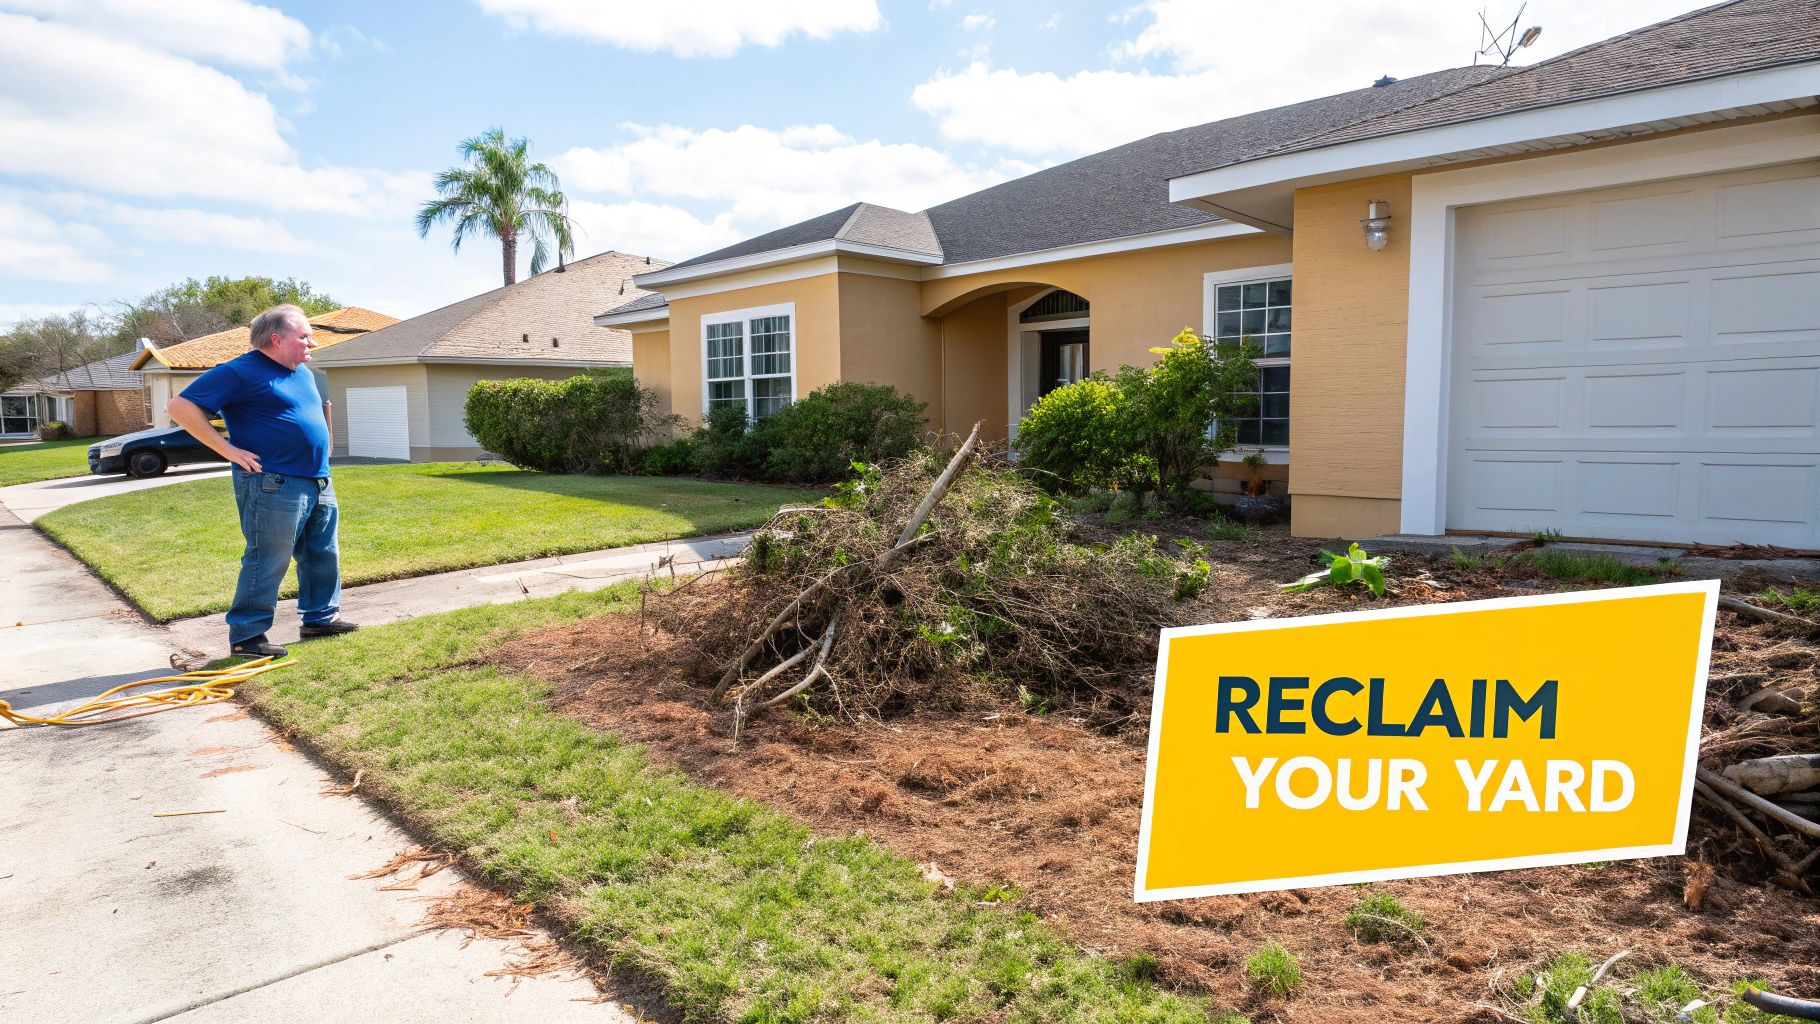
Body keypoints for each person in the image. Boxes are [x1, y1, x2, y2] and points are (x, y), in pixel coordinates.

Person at [166, 304, 358, 657]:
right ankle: (247, 636)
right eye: (304, 336)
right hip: (272, 482)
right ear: (276, 339)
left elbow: (319, 408)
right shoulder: (239, 371)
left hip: (318, 479)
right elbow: (180, 407)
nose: (311, 342)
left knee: (321, 552)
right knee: (268, 557)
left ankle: (319, 619)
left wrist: (325, 444)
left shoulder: (302, 371)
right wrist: (228, 450)